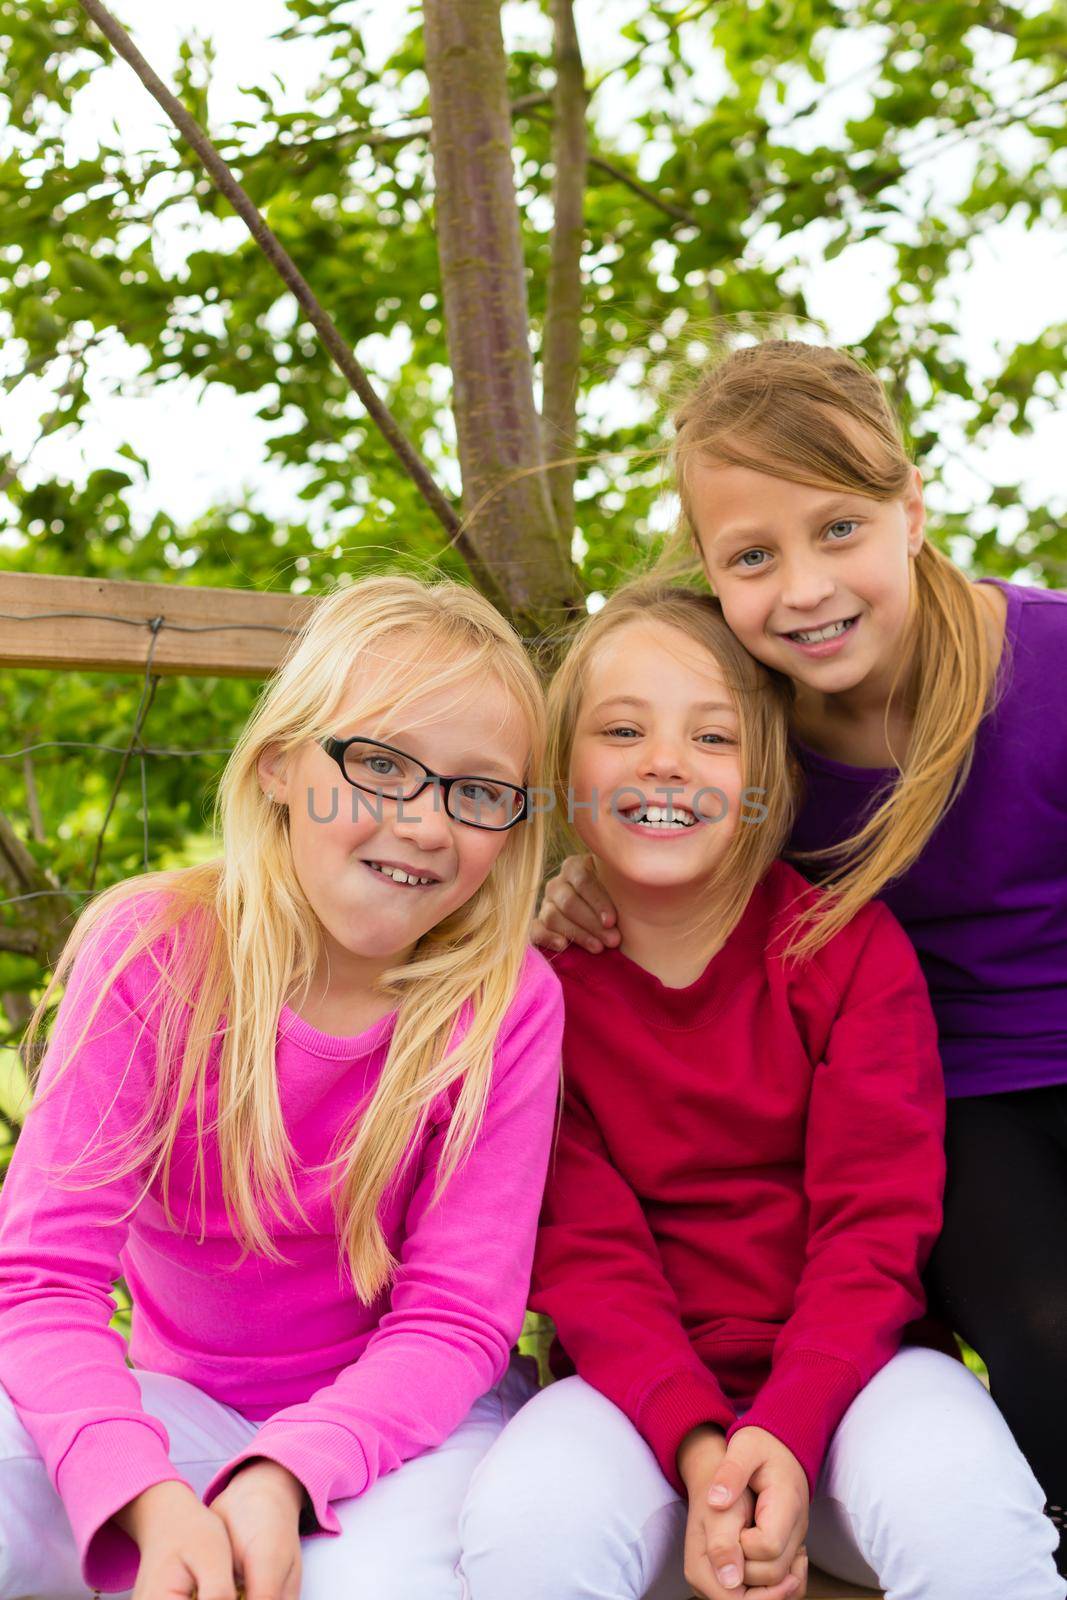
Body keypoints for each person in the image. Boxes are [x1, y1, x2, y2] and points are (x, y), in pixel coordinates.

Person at [532, 339, 1067, 1579]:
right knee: (1036, 1317)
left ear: (911, 509)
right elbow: (657, 783)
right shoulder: (755, 721)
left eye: (837, 529)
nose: (803, 586)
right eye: (752, 557)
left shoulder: (1040, 666)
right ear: (711, 571)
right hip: (962, 1090)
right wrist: (584, 873)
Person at [0, 574, 563, 1600]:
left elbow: (455, 1322)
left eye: (478, 791)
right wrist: (147, 1492)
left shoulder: (505, 1002)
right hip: (171, 1399)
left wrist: (281, 1475)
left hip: (402, 1425)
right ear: (277, 766)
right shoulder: (153, 954)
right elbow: (42, 1280)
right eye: (382, 765)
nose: (428, 823)